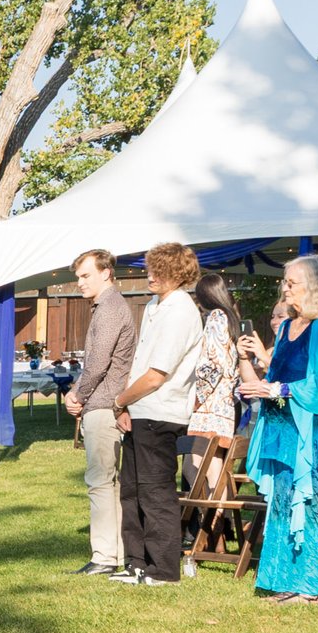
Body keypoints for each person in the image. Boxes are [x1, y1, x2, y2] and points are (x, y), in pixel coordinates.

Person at [236, 256, 318, 603]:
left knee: (314, 500)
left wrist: (277, 389)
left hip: (313, 429)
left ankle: (312, 583)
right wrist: (257, 376)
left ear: (314, 286)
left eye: (292, 283)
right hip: (282, 425)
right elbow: (276, 377)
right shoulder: (287, 326)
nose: (285, 288)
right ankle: (285, 578)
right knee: (284, 499)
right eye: (284, 282)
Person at [109, 242, 203, 586]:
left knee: (156, 492)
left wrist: (120, 400)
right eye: (150, 269)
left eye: (159, 271)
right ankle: (136, 563)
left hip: (161, 412)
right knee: (131, 491)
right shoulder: (154, 305)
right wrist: (126, 405)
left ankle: (163, 569)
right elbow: (139, 364)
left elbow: (156, 375)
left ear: (178, 274)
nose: (151, 276)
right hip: (140, 409)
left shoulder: (180, 311)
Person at [63, 249, 137, 576]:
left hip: (105, 405)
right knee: (110, 482)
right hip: (108, 404)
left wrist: (76, 395)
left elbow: (97, 364)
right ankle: (115, 552)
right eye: (78, 277)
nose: (80, 283)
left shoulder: (109, 308)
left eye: (85, 275)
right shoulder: (108, 306)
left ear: (106, 273)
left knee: (100, 482)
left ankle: (105, 556)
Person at [185, 273, 241, 488]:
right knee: (210, 465)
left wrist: (196, 397)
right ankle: (215, 507)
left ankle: (211, 507)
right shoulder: (230, 319)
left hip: (209, 406)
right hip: (223, 404)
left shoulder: (217, 317)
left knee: (199, 466)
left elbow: (213, 365)